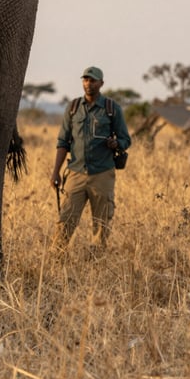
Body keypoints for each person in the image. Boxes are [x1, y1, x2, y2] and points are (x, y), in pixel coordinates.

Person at [50, 66, 132, 256]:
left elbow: (126, 139)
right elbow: (63, 142)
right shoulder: (73, 108)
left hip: (102, 173)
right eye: (86, 80)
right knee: (66, 219)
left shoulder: (112, 109)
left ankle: (96, 262)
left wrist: (116, 143)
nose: (88, 84)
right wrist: (55, 172)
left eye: (93, 80)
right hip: (76, 172)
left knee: (102, 223)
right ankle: (56, 258)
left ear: (101, 83)